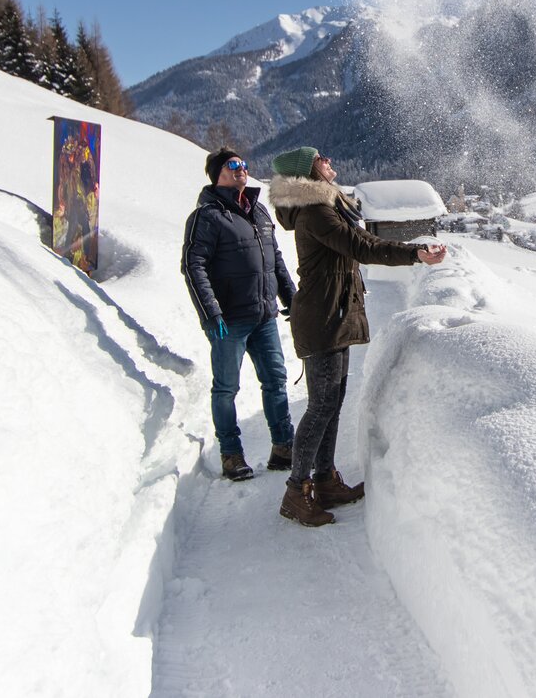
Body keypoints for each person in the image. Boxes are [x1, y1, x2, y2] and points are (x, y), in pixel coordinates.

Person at [268, 146, 447, 526]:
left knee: (331, 403)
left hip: (335, 313)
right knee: (320, 406)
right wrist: (415, 253)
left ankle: (325, 479)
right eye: (321, 158)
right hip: (322, 319)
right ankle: (296, 491)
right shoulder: (317, 212)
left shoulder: (329, 205)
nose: (329, 160)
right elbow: (362, 247)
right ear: (308, 171)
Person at [182, 148, 297, 482]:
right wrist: (210, 312)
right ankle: (231, 454)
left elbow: (274, 261)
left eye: (244, 165)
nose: (241, 169)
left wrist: (292, 298)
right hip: (228, 320)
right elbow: (194, 266)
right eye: (233, 165)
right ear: (218, 173)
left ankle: (283, 446)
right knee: (226, 388)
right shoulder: (207, 216)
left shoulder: (259, 212)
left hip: (264, 315)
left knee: (275, 379)